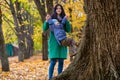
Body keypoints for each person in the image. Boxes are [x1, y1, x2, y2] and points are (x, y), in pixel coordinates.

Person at [43, 4, 75, 80]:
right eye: (57, 8)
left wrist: (67, 21)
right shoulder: (51, 18)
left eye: (60, 8)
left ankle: (59, 77)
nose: (58, 9)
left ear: (62, 10)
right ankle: (50, 78)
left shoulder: (64, 18)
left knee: (61, 61)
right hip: (54, 42)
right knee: (53, 61)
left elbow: (68, 29)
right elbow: (44, 28)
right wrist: (46, 21)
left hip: (62, 41)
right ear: (55, 10)